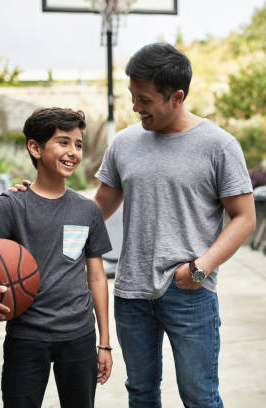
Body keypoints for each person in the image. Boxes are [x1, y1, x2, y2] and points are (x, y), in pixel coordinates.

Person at [95, 43, 256, 407]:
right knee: (141, 394)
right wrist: (43, 202)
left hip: (190, 293)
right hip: (131, 293)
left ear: (176, 97)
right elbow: (96, 209)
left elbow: (245, 217)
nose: (135, 107)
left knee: (199, 396)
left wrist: (200, 269)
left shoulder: (218, 145)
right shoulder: (123, 143)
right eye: (132, 96)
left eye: (145, 99)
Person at [0, 107, 113, 408]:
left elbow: (96, 277)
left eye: (78, 144)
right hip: (27, 336)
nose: (73, 152)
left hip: (79, 334)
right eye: (63, 142)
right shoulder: (13, 206)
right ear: (35, 147)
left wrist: (105, 342)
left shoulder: (87, 210)